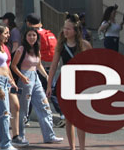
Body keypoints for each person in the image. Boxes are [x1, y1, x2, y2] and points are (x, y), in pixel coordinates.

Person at [46, 14, 92, 150]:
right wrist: (49, 85)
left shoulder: (84, 45)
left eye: (69, 29)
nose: (65, 31)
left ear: (76, 31)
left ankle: (82, 147)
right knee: (69, 119)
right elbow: (53, 66)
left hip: (81, 82)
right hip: (66, 82)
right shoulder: (61, 45)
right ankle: (72, 147)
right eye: (64, 28)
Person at [11, 28, 63, 145]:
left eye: (34, 35)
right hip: (24, 78)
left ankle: (49, 135)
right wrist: (22, 77)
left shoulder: (36, 49)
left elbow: (39, 65)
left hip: (35, 77)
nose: (32, 37)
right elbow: (13, 65)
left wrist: (47, 77)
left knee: (44, 105)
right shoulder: (21, 49)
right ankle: (20, 136)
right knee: (24, 109)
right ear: (25, 37)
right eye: (29, 35)